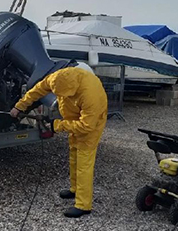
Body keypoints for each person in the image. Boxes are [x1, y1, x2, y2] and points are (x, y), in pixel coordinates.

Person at [10, 66, 108, 218]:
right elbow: (37, 91)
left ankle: (83, 205)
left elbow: (87, 126)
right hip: (73, 119)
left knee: (84, 162)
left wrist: (57, 125)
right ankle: (75, 189)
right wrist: (19, 106)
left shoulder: (90, 94)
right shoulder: (55, 79)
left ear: (73, 89)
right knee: (74, 154)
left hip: (91, 124)